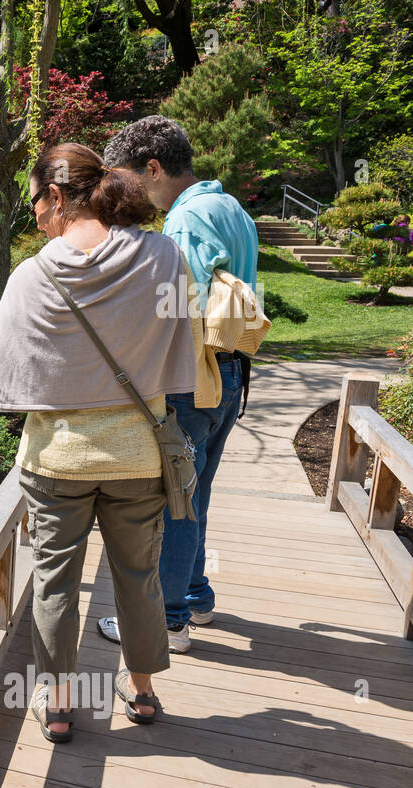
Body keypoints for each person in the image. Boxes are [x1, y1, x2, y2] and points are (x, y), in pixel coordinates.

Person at [0, 143, 202, 742]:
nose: (33, 216)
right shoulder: (163, 257)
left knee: (55, 582)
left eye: (34, 202)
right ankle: (145, 693)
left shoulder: (31, 276)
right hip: (139, 454)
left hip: (57, 460)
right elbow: (182, 341)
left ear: (56, 196)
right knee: (140, 577)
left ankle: (58, 707)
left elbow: (5, 381)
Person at [98, 116, 262, 651]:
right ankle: (195, 595)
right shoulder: (232, 208)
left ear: (152, 167)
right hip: (231, 371)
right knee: (197, 488)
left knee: (174, 498)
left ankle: (166, 621)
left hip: (195, 376)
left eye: (128, 179)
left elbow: (180, 315)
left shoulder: (186, 221)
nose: (124, 193)